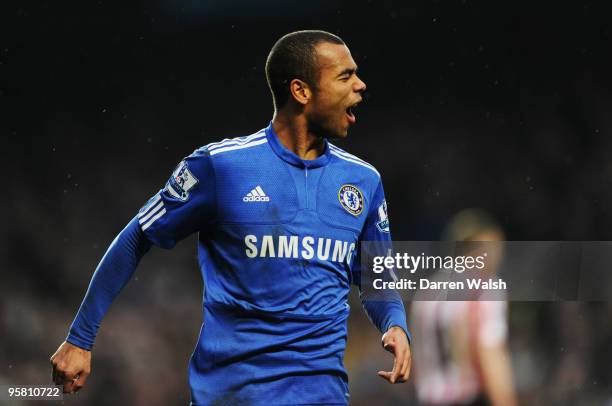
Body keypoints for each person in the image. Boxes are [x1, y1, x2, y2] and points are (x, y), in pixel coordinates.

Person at [50, 30, 411, 405]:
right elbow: (137, 236)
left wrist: (395, 324)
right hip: (232, 395)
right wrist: (80, 338)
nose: (361, 85)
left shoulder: (364, 181)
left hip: (322, 396)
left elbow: (377, 277)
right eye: (345, 76)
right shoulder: (221, 166)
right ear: (301, 91)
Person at [411, 209, 517, 406]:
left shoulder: (426, 292)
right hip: (467, 398)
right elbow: (489, 354)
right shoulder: (484, 288)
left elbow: (417, 362)